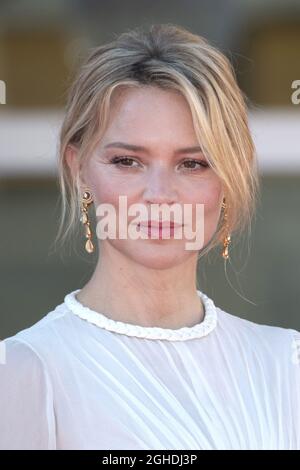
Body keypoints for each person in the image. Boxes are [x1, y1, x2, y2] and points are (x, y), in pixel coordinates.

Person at [0, 23, 299, 450]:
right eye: (127, 161)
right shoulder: (26, 371)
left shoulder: (285, 362)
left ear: (228, 178)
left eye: (192, 164)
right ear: (78, 169)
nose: (160, 195)